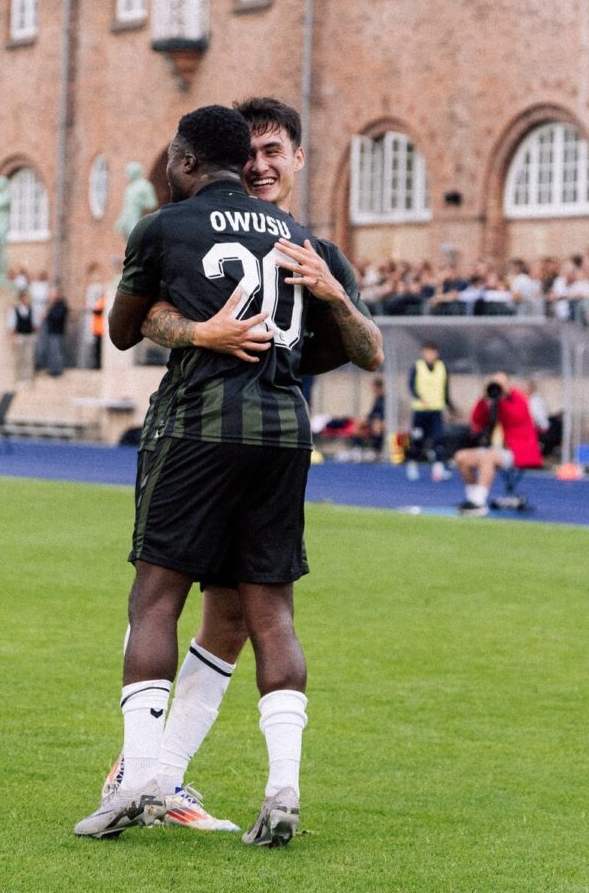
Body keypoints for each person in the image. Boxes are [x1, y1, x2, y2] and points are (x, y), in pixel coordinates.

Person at [74, 105, 381, 846]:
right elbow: (158, 318)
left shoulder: (184, 225)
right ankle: (264, 787)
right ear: (237, 158)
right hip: (280, 433)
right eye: (253, 153)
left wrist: (326, 297)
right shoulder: (303, 242)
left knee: (159, 598)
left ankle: (144, 778)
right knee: (258, 612)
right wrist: (203, 329)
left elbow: (125, 324)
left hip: (199, 427)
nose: (262, 165)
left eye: (274, 151)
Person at [453, 372, 543, 516]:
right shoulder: (491, 401)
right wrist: (483, 400)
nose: (497, 387)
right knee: (461, 457)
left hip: (518, 451)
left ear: (508, 385)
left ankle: (479, 503)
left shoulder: (518, 398)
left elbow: (514, 417)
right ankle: (471, 499)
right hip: (495, 449)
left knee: (489, 457)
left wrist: (502, 399)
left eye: (500, 384)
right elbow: (476, 420)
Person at [408, 341, 454, 479]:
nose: (429, 355)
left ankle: (438, 469)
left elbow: (445, 389)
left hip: (436, 410)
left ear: (436, 353)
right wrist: (418, 397)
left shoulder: (442, 367)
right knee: (417, 439)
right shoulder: (417, 366)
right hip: (420, 411)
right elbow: (411, 386)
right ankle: (412, 465)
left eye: (432, 352)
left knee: (438, 439)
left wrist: (449, 406)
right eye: (427, 352)